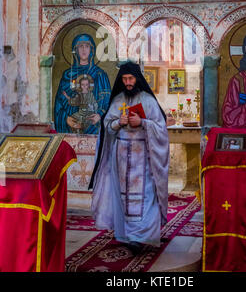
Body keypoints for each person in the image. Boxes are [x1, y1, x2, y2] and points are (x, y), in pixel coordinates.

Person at [89, 61, 169, 253]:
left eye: (131, 78)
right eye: (124, 79)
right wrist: (118, 122)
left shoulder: (148, 101)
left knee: (145, 196)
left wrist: (143, 122)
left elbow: (161, 128)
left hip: (144, 159)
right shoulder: (118, 101)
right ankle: (126, 234)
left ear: (137, 78)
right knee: (122, 197)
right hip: (122, 158)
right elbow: (107, 127)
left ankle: (142, 235)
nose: (128, 82)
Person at [54, 34, 111, 134]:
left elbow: (107, 101)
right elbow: (59, 103)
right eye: (80, 46)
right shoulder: (68, 75)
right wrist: (66, 119)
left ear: (91, 50)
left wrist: (100, 115)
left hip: (94, 127)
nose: (84, 49)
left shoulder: (100, 74)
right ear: (75, 50)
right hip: (71, 126)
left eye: (87, 46)